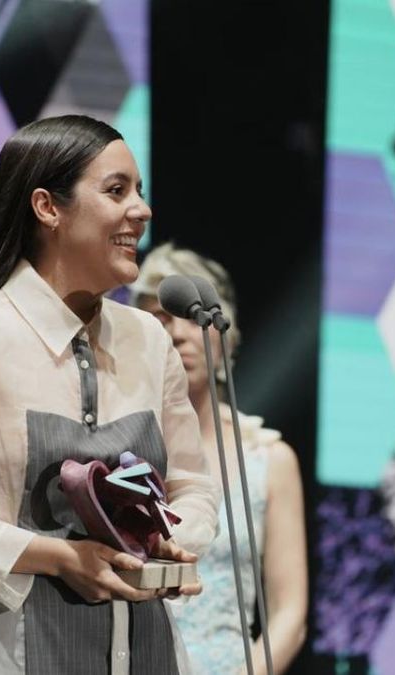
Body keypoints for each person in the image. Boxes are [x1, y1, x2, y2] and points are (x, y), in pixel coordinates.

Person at [0, 116, 219, 675]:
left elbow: (192, 486)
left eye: (140, 192)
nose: (142, 210)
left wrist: (168, 543)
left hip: (142, 648)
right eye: (117, 190)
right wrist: (56, 557)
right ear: (48, 208)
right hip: (2, 649)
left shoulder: (149, 339)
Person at [130, 244, 308, 674]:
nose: (178, 334)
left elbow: (290, 613)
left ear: (223, 332)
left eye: (193, 318)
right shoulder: (119, 449)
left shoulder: (270, 459)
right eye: (160, 318)